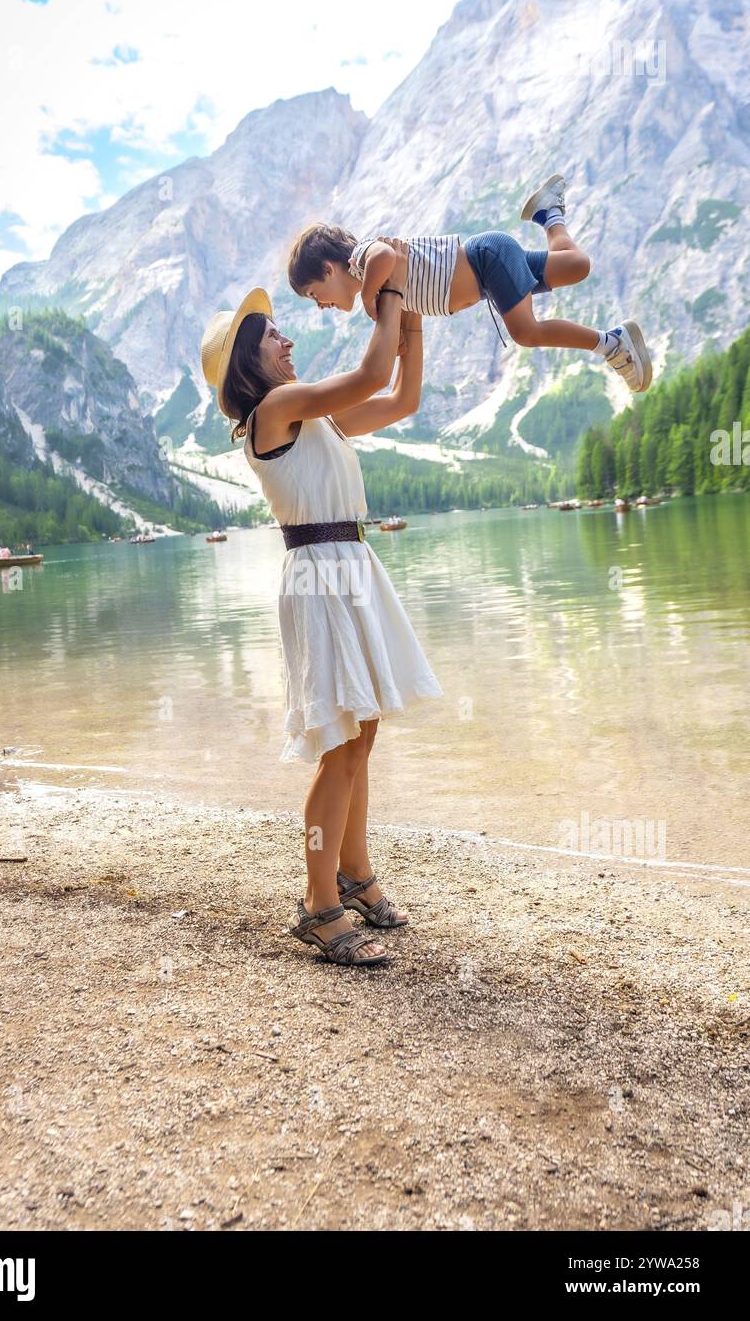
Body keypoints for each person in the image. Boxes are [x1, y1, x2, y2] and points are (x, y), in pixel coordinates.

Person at [200, 243, 442, 969]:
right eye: (275, 334)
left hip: (347, 569)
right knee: (338, 747)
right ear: (252, 361)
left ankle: (356, 875)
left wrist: (415, 322)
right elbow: (372, 371)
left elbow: (401, 398)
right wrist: (388, 291)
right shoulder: (277, 409)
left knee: (359, 738)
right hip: (318, 578)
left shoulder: (315, 416)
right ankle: (317, 904)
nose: (289, 336)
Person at [287, 172, 653, 393]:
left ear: (328, 268)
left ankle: (611, 343)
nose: (319, 304)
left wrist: (369, 298)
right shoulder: (383, 289)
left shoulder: (362, 257)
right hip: (488, 274)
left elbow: (385, 256)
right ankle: (549, 213)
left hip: (487, 261)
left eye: (313, 294)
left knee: (526, 332)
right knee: (577, 265)